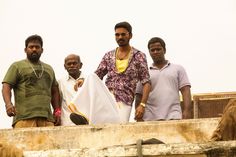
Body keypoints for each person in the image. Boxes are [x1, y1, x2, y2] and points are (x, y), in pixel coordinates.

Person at [95, 21, 151, 122]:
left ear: (130, 35)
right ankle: (82, 114)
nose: (120, 37)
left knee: (120, 129)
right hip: (107, 98)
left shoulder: (138, 56)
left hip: (125, 100)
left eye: (123, 34)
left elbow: (146, 82)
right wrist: (83, 81)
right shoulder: (108, 55)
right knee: (102, 128)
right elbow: (97, 75)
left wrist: (142, 105)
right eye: (117, 34)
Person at [2, 34, 61, 128]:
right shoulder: (17, 66)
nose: (34, 49)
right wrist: (8, 105)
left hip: (47, 119)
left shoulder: (49, 68)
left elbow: (55, 91)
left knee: (50, 143)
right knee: (24, 143)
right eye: (31, 47)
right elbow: (6, 86)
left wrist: (57, 111)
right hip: (24, 118)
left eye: (37, 47)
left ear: (42, 50)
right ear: (25, 50)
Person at [135, 37, 192, 121]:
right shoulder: (144, 72)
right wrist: (138, 115)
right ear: (149, 52)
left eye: (158, 49)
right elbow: (139, 95)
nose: (155, 52)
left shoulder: (178, 69)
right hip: (150, 117)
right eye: (152, 50)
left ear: (164, 50)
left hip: (173, 116)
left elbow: (185, 90)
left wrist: (187, 111)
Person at [58, 54, 84, 126]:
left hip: (87, 121)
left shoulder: (88, 80)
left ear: (80, 65)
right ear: (65, 66)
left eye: (74, 63)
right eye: (69, 64)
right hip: (67, 123)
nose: (72, 66)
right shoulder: (60, 82)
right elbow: (58, 101)